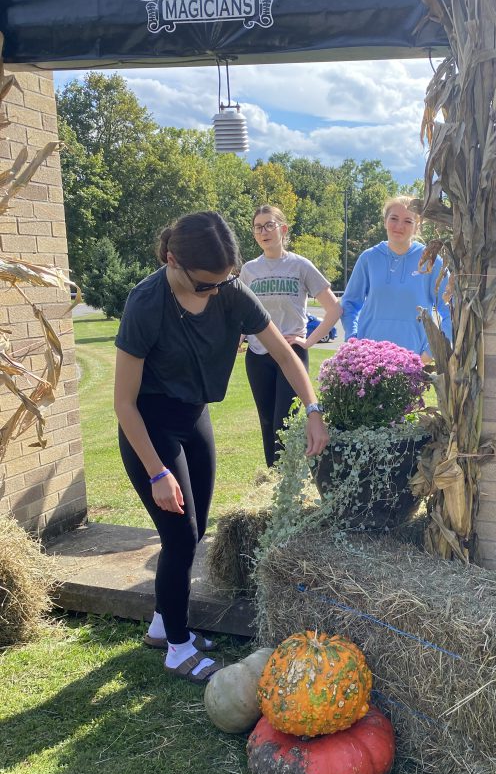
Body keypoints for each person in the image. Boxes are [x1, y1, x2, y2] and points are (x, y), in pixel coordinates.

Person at [114, 211, 328, 684]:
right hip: (149, 426)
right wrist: (156, 472)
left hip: (194, 417)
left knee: (196, 528)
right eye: (206, 284)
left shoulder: (229, 290)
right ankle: (176, 646)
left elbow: (283, 352)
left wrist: (313, 409)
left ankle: (160, 623)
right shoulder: (146, 302)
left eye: (223, 281)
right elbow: (123, 404)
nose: (217, 292)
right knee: (179, 536)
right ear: (173, 260)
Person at [239, 205, 342, 467]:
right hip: (258, 355)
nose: (263, 232)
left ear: (283, 229)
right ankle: (273, 478)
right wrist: (238, 338)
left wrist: (307, 341)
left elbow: (333, 309)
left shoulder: (300, 265)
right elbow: (239, 314)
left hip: (291, 354)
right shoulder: (249, 271)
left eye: (269, 225)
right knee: (266, 421)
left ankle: (289, 474)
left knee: (284, 420)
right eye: (258, 227)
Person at [340, 195, 452, 362]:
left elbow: (452, 310)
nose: (399, 226)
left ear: (417, 227)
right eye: (394, 218)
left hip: (411, 363)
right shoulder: (369, 258)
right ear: (385, 222)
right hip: (368, 362)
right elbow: (349, 304)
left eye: (408, 221)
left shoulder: (431, 262)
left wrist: (430, 353)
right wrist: (353, 341)